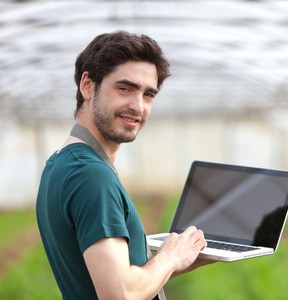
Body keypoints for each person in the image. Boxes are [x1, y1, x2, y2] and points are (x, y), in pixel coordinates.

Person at [36, 31, 209, 300]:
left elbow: (107, 276)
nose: (137, 106)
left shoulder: (61, 163)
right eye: (125, 88)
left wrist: (182, 256)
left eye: (148, 94)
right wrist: (170, 259)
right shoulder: (90, 175)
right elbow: (121, 293)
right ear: (88, 86)